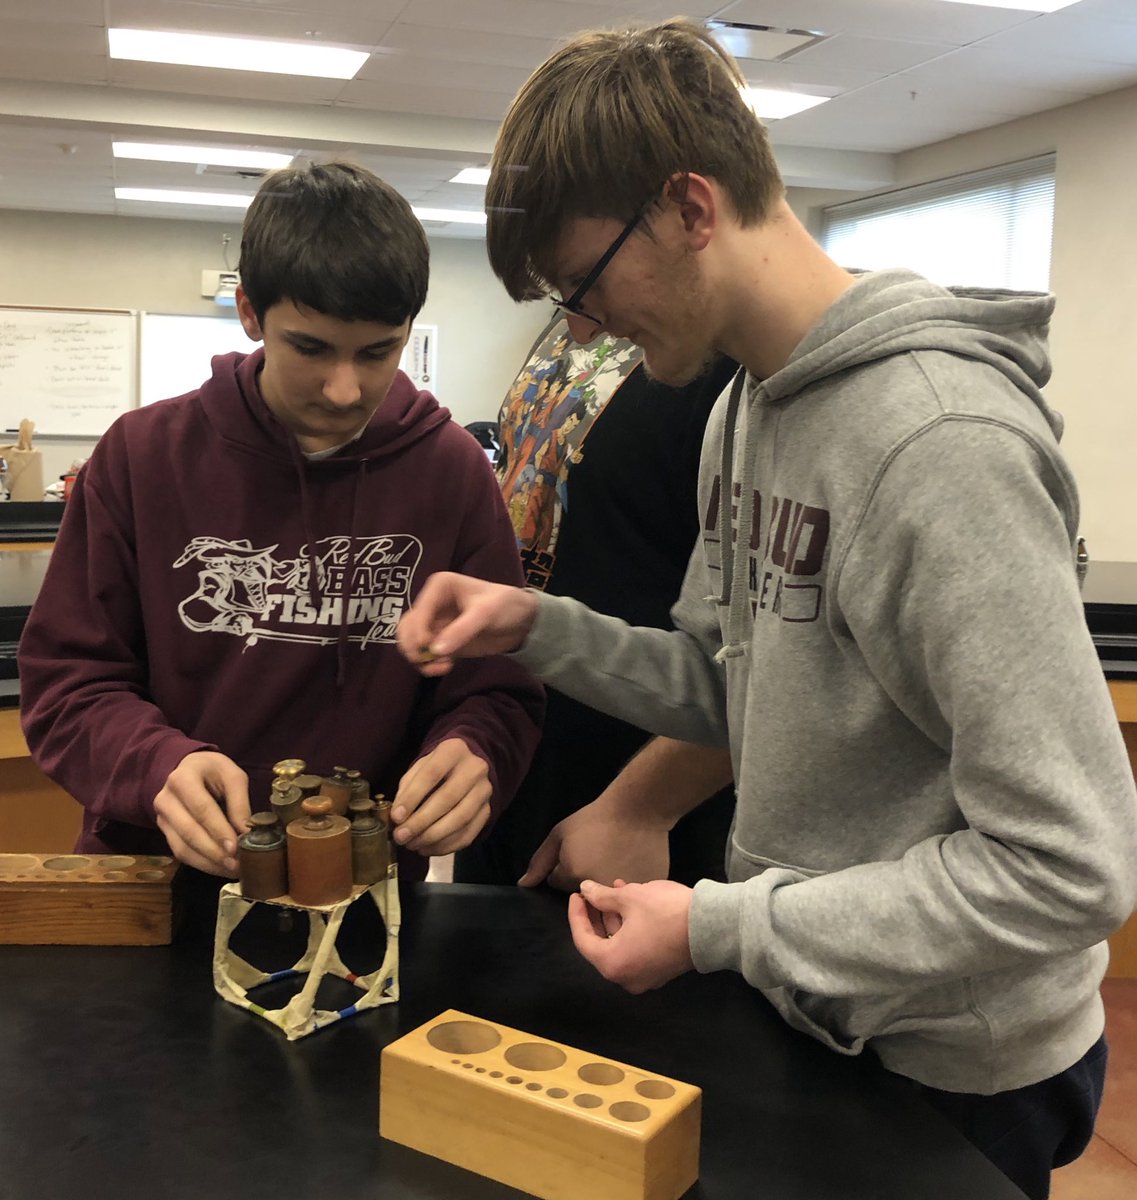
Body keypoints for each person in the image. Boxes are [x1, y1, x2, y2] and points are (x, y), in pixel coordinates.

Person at [395, 20, 1137, 1199]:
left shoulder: (941, 444)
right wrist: (532, 627)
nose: (580, 328)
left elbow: (1070, 866)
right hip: (814, 1007)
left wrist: (720, 927)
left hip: (954, 1064)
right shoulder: (746, 410)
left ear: (692, 207)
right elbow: (725, 682)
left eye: (584, 284)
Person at [18, 160, 543, 882]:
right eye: (311, 348)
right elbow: (68, 683)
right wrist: (158, 766)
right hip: (159, 879)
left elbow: (499, 688)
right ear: (249, 312)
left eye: (378, 352)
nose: (344, 388)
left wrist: (477, 749)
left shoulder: (450, 469)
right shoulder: (141, 457)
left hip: (364, 888)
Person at [453, 316, 736, 888]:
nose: (580, 310)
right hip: (517, 767)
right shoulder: (565, 323)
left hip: (631, 807)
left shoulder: (724, 357)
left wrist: (641, 808)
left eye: (579, 278)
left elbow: (767, 668)